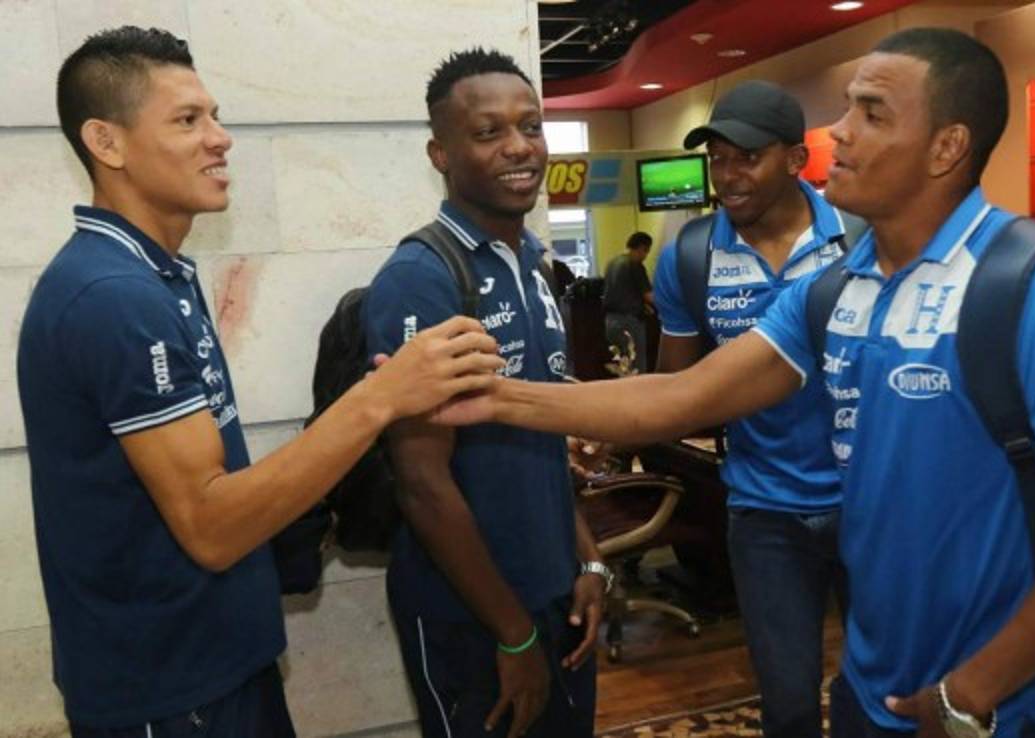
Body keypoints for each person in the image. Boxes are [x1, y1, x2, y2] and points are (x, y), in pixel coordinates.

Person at [435, 28, 1035, 738]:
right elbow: (680, 395)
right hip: (871, 691)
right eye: (847, 108)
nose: (839, 131)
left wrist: (969, 695)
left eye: (872, 113)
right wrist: (498, 396)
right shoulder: (836, 291)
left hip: (987, 709)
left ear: (947, 148)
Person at [16, 27, 502, 737]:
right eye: (187, 120)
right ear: (106, 142)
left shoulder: (152, 275)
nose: (220, 139)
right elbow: (212, 527)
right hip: (170, 689)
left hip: (215, 665)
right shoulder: (113, 296)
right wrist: (379, 397)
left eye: (214, 116)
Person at [362, 48, 604, 738]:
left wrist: (587, 556)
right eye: (488, 132)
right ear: (440, 153)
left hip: (556, 595)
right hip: (472, 618)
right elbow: (422, 483)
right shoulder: (421, 278)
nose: (519, 147)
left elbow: (544, 439)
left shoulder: (532, 263)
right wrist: (513, 633)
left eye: (530, 126)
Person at [652, 79, 847, 738]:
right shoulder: (690, 256)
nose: (727, 176)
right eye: (717, 159)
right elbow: (674, 390)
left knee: (886, 691)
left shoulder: (859, 237)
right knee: (787, 702)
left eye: (747, 158)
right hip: (764, 510)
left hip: (869, 500)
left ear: (796, 160)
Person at [602, 231, 654, 373]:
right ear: (642, 247)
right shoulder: (635, 264)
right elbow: (649, 296)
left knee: (621, 366)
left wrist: (642, 306)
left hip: (610, 322)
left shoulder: (612, 263)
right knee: (636, 367)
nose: (646, 256)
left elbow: (622, 291)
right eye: (646, 251)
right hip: (629, 323)